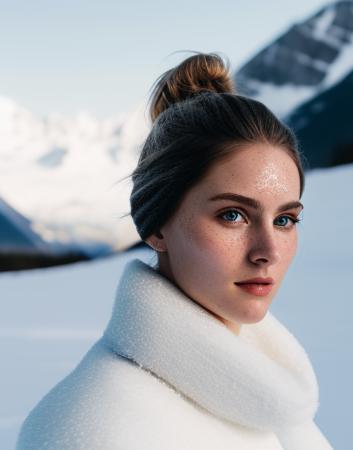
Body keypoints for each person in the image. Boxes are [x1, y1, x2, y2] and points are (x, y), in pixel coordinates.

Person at [16, 52, 333, 450]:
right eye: (233, 215)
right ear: (156, 228)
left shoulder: (280, 410)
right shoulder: (92, 429)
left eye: (285, 220)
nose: (268, 250)